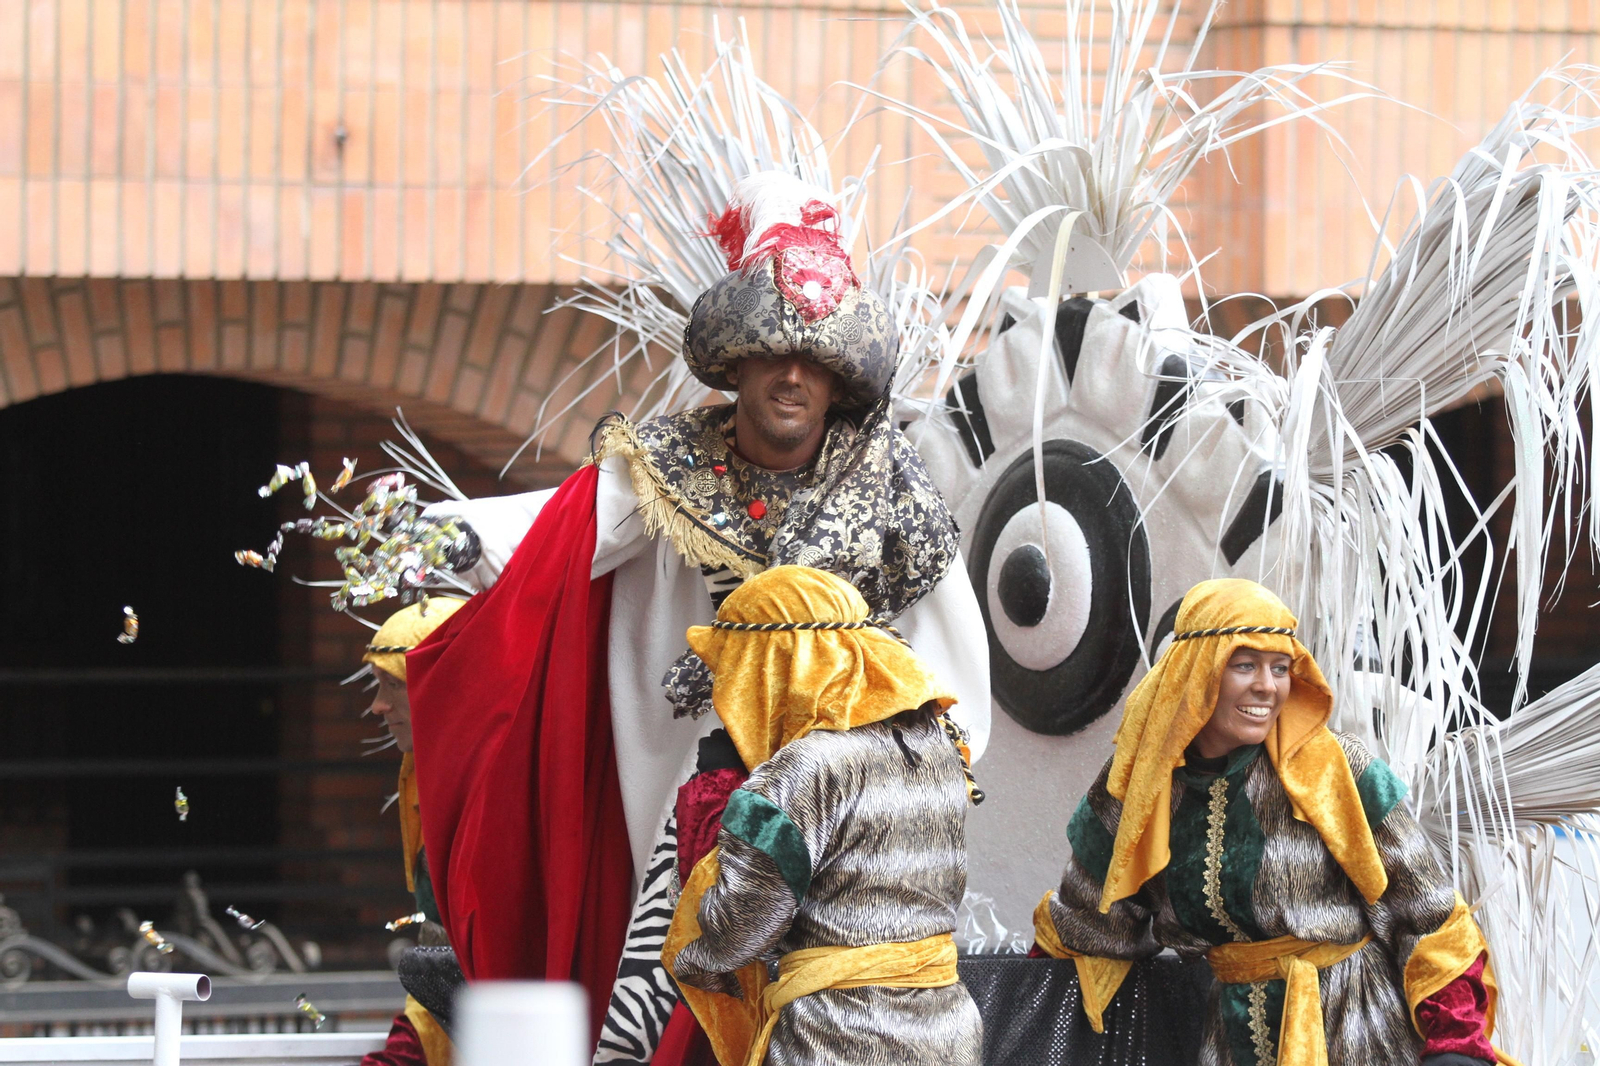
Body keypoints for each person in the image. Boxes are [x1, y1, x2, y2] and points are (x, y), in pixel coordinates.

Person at [404, 173, 991, 1062]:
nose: (792, 375)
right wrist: (439, 539)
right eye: (771, 352)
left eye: (816, 359)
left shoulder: (890, 479)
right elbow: (556, 534)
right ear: (736, 362)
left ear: (839, 382)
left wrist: (918, 783)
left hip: (846, 817)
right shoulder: (670, 464)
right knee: (661, 1013)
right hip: (705, 800)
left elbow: (950, 658)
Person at [1033, 578, 1509, 1066]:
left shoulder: (1339, 769)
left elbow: (1430, 919)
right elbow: (1088, 922)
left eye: (1280, 668)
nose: (1267, 686)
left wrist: (1456, 1046)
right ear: (1196, 674)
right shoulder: (1139, 787)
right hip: (1231, 1042)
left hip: (1361, 1035)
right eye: (1245, 665)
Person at [662, 565, 983, 1066]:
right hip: (948, 1033)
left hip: (836, 1038)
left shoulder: (800, 771)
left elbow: (740, 930)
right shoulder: (936, 743)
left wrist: (698, 954)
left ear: (769, 668)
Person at [356, 597, 467, 1066]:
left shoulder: (499, 786)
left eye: (393, 684)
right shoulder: (423, 774)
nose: (378, 707)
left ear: (442, 682)